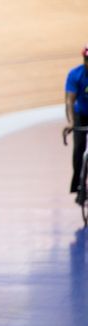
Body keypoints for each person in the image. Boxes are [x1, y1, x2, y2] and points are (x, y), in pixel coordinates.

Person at [64, 44, 88, 205]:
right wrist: (71, 122)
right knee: (79, 148)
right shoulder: (75, 74)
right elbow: (69, 101)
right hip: (81, 114)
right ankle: (79, 185)